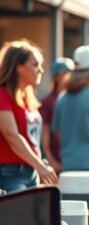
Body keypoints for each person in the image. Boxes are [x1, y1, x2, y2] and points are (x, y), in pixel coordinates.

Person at [0, 39, 56, 192]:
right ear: (18, 67)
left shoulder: (27, 98)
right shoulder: (2, 95)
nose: (41, 70)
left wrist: (40, 164)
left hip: (32, 172)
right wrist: (40, 165)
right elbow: (11, 135)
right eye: (35, 65)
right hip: (10, 173)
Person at [39, 57, 74, 173]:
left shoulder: (75, 98)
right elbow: (44, 132)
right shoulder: (47, 102)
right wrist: (51, 159)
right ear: (57, 76)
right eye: (67, 73)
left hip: (74, 157)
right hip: (57, 158)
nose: (71, 76)